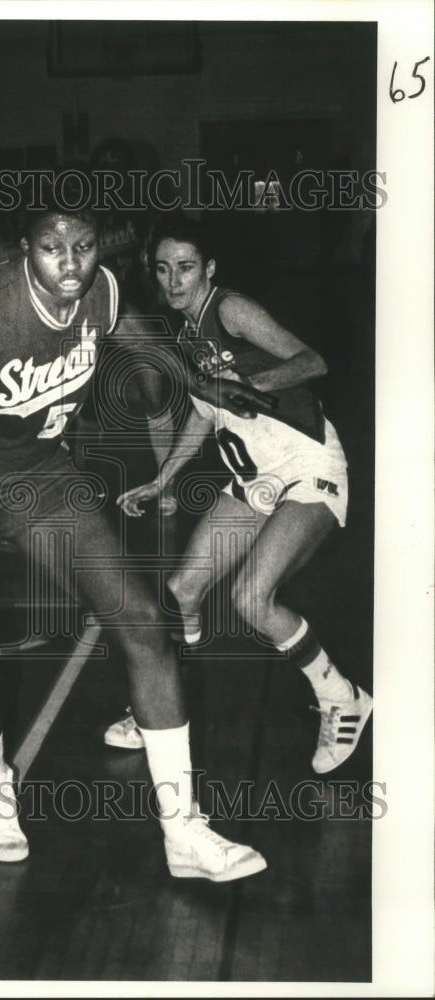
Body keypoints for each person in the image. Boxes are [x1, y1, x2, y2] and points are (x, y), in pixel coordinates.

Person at [0, 180, 268, 885]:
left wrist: (212, 384)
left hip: (37, 480)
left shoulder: (102, 293)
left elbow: (157, 352)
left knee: (143, 622)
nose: (70, 263)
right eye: (52, 249)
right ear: (26, 249)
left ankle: (185, 834)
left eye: (81, 246)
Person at [110, 214, 373, 774]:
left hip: (307, 466)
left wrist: (251, 387)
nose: (174, 280)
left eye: (185, 267)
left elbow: (312, 360)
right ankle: (166, 706)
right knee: (184, 588)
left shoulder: (230, 310)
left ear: (208, 268)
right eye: (163, 269)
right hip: (254, 482)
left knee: (252, 599)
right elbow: (205, 417)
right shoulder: (184, 335)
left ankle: (341, 697)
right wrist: (164, 477)